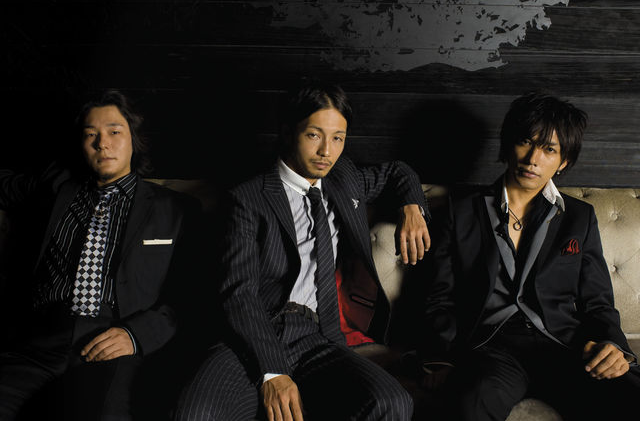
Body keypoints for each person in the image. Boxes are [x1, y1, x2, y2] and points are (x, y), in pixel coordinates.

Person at [175, 82, 431, 421]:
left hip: (318, 337)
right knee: (196, 413)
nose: (327, 150)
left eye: (338, 138)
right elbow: (240, 293)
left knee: (393, 402)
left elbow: (399, 171)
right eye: (314, 135)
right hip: (254, 334)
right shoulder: (247, 199)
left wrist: (412, 207)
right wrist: (272, 372)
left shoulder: (344, 179)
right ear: (287, 132)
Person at [420, 93, 640, 420]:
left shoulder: (579, 217)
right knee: (469, 406)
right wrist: (441, 358)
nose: (533, 159)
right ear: (508, 145)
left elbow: (597, 301)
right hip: (492, 350)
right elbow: (440, 297)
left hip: (565, 345)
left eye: (549, 149)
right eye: (525, 142)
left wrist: (613, 345)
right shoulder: (461, 211)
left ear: (563, 161)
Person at [0, 90, 199, 420]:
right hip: (40, 342)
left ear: (134, 139)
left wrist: (136, 335)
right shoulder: (56, 189)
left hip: (114, 342)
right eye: (90, 134)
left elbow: (190, 294)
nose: (102, 144)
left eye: (114, 132)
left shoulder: (175, 209)